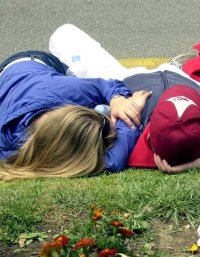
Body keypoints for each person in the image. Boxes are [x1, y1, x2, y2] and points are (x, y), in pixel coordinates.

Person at [0, 52, 200, 181]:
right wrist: (120, 104)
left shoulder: (68, 91)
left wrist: (118, 100)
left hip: (125, 80)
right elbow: (109, 156)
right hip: (40, 79)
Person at [0, 51, 150, 181]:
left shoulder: (69, 90)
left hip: (34, 68)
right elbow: (112, 162)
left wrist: (118, 100)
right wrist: (131, 116)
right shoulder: (8, 145)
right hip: (21, 75)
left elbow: (109, 85)